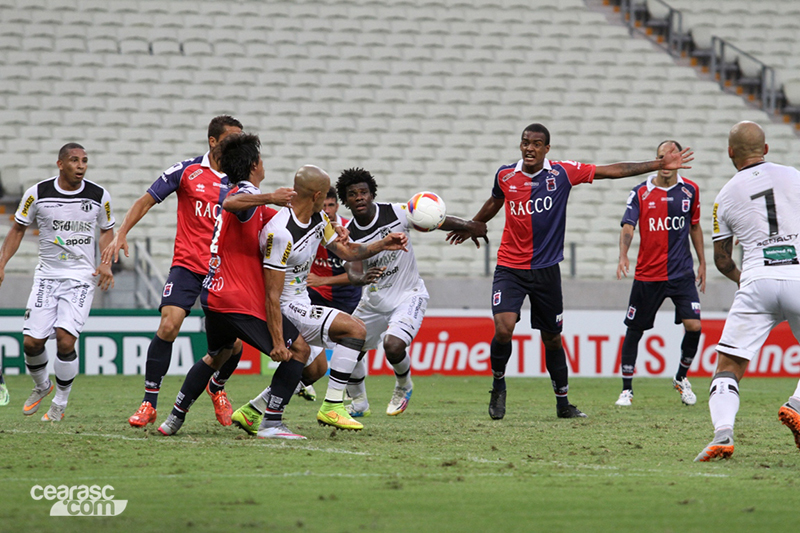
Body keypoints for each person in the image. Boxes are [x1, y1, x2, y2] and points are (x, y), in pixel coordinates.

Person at [447, 123, 693, 421]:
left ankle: (563, 403)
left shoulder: (562, 173)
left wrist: (656, 164)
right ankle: (498, 385)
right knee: (503, 328)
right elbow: (495, 201)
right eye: (525, 142)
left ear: (546, 149)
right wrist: (473, 224)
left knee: (552, 338)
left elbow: (611, 170)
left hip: (546, 271)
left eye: (537, 143)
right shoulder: (506, 175)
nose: (529, 148)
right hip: (510, 267)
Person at [102, 115, 293, 428]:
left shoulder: (242, 185)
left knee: (232, 346)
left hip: (225, 273)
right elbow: (146, 200)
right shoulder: (188, 171)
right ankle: (149, 403)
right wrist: (122, 232)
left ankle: (216, 388)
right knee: (169, 325)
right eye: (232, 138)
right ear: (213, 141)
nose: (237, 144)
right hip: (189, 266)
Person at [231, 164, 409, 433]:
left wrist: (383, 244)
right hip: (285, 306)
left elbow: (346, 252)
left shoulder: (318, 220)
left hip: (302, 301)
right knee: (355, 329)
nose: (330, 203)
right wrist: (278, 340)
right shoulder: (280, 233)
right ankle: (333, 406)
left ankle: (252, 410)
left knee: (314, 370)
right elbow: (271, 294)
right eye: (326, 195)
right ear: (315, 195)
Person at [158, 133, 311, 438]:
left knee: (217, 355)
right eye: (262, 159)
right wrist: (269, 196)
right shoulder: (244, 192)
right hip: (237, 299)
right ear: (255, 164)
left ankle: (174, 417)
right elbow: (231, 203)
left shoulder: (247, 196)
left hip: (214, 296)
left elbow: (287, 220)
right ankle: (271, 422)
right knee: (300, 351)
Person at [335, 168, 484, 418]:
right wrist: (362, 278)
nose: (359, 197)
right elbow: (351, 268)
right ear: (346, 200)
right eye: (352, 194)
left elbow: (430, 217)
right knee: (347, 349)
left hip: (408, 295)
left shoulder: (395, 212)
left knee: (393, 346)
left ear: (372, 194)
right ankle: (359, 402)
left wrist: (468, 225)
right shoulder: (349, 233)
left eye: (363, 192)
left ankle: (404, 386)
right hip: (373, 301)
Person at [696, 121, 800, 461]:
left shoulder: (724, 196)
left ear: (730, 153)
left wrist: (747, 280)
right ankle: (796, 404)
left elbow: (722, 260)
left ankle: (723, 433)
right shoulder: (794, 176)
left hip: (756, 280)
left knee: (728, 365)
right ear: (766, 149)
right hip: (798, 275)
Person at [0, 143, 115, 421]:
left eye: (85, 161)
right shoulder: (37, 193)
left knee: (65, 341)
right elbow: (17, 229)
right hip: (47, 276)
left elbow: (107, 231)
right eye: (75, 160)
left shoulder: (99, 195)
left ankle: (60, 404)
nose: (81, 165)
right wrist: (1, 263)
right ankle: (42, 386)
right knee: (31, 343)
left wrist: (106, 262)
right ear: (60, 164)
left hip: (80, 277)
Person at [614, 140, 706, 407]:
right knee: (634, 330)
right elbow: (628, 225)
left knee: (695, 326)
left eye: (671, 157)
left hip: (681, 275)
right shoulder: (641, 191)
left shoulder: (690, 191)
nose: (666, 163)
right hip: (647, 275)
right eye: (660, 158)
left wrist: (702, 262)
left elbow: (695, 227)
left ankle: (681, 377)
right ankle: (626, 390)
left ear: (679, 160)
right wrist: (623, 254)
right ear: (655, 160)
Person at [295, 187, 365, 402]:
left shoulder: (347, 231)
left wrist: (323, 280)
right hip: (315, 295)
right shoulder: (309, 226)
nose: (327, 210)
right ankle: (302, 382)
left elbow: (357, 275)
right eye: (323, 206)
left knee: (353, 347)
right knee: (301, 343)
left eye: (331, 205)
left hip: (346, 299)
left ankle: (357, 398)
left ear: (337, 206)